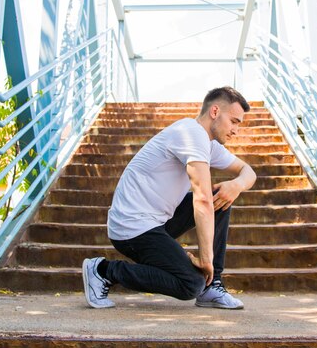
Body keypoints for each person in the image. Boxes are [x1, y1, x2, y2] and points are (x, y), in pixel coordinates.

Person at [82, 86, 256, 309]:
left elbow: (248, 171)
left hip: (158, 221)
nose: (236, 130)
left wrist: (236, 185)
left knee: (221, 199)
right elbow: (201, 199)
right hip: (132, 227)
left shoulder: (209, 144)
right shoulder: (190, 133)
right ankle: (103, 270)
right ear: (214, 112)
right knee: (190, 283)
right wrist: (205, 260)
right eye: (234, 121)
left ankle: (213, 286)